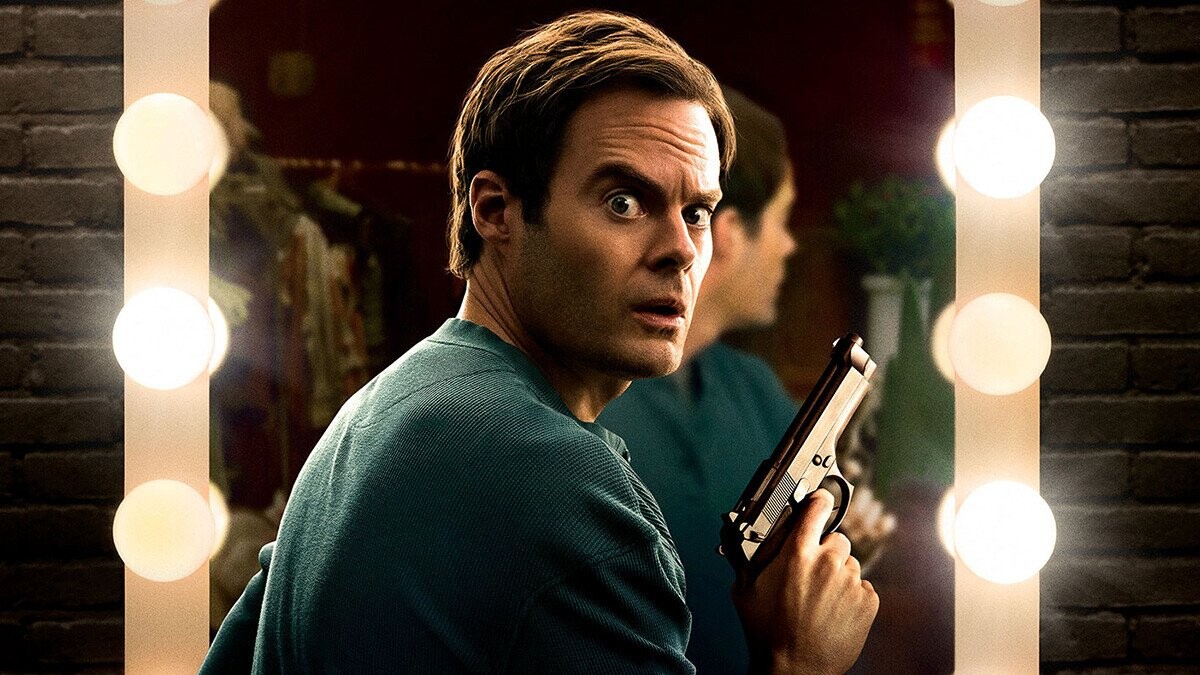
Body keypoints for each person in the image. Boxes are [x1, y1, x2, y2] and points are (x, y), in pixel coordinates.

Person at [202, 11, 877, 673]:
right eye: (624, 201)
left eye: (696, 211)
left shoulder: (372, 415)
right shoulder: (559, 479)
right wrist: (798, 660)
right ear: (495, 211)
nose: (680, 249)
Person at [597, 87, 893, 673]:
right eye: (782, 219)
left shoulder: (751, 385)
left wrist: (832, 547)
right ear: (729, 233)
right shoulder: (589, 399)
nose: (790, 245)